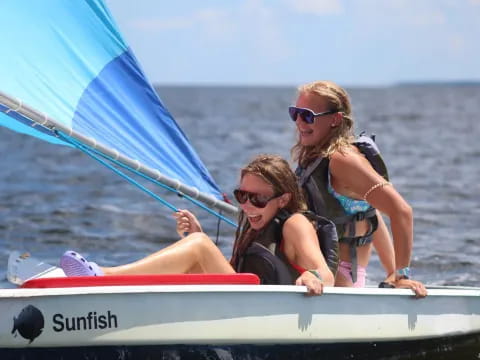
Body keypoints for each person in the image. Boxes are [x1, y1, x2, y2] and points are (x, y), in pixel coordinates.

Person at [60, 154, 335, 295]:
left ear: (283, 198)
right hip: (245, 304)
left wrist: (314, 277)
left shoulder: (295, 224)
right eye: (242, 196)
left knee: (200, 247)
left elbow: (325, 273)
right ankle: (113, 284)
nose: (248, 205)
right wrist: (198, 236)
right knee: (197, 247)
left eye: (258, 198)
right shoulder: (255, 225)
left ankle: (105, 278)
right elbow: (235, 273)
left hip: (269, 312)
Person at [289, 80, 427, 297]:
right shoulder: (317, 155)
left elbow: (401, 211)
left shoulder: (342, 160)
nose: (299, 122)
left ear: (335, 119)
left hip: (335, 282)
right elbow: (369, 212)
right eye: (295, 113)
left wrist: (400, 276)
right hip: (313, 273)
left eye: (307, 116)